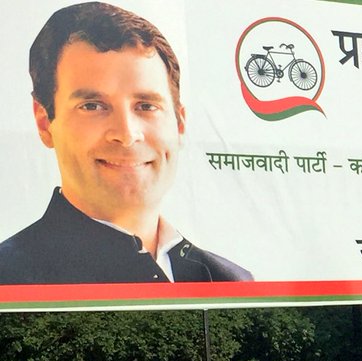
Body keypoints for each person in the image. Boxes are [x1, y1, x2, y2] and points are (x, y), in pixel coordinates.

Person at [0, 2, 251, 284]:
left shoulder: (230, 282)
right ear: (44, 122)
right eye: (93, 106)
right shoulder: (8, 279)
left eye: (146, 105)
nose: (127, 133)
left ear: (179, 124)